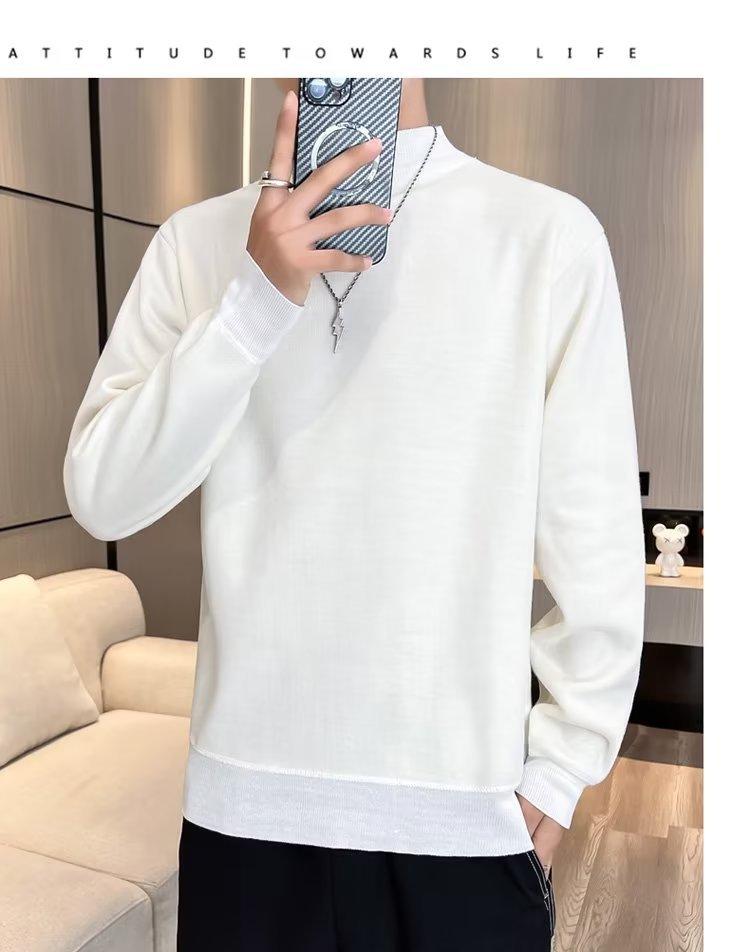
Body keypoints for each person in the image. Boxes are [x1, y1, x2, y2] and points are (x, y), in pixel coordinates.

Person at [64, 78, 645, 951]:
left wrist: (561, 772)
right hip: (245, 814)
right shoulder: (197, 242)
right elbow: (103, 492)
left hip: (463, 820)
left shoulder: (545, 236)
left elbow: (597, 544)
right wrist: (255, 301)